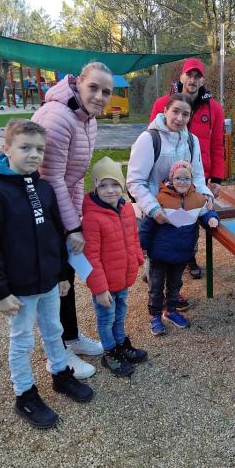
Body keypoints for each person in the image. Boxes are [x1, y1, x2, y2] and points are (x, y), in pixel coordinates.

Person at [0, 119, 93, 430]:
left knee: (54, 330)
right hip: (19, 288)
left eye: (39, 149)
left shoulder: (44, 188)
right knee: (22, 340)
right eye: (25, 147)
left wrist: (62, 274)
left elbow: (55, 235)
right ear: (6, 148)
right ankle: (24, 393)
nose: (34, 155)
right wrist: (0, 291)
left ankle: (60, 373)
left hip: (49, 281)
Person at [32, 62, 114, 379]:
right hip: (42, 211)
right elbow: (51, 178)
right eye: (93, 87)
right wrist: (72, 227)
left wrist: (77, 218)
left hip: (60, 208)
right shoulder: (58, 117)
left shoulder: (87, 119)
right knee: (54, 284)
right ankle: (58, 353)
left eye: (106, 92)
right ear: (79, 83)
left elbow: (76, 176)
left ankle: (71, 336)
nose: (99, 96)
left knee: (67, 274)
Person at [150, 58, 225, 279]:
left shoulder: (214, 109)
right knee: (166, 217)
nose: (192, 80)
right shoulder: (163, 103)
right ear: (182, 76)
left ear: (203, 80)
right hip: (168, 174)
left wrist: (216, 178)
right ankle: (157, 262)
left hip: (198, 174)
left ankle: (189, 257)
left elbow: (218, 144)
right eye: (189, 75)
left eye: (197, 76)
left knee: (191, 218)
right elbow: (152, 137)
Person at [82, 157, 147, 377]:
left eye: (115, 184)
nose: (110, 190)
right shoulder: (92, 217)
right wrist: (100, 289)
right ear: (95, 187)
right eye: (103, 185)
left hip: (122, 278)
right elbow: (90, 257)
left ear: (122, 186)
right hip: (105, 285)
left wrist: (137, 258)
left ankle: (120, 343)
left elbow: (133, 236)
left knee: (120, 314)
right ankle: (110, 351)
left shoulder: (126, 208)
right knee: (106, 318)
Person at [139, 160, 219, 335]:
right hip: (159, 253)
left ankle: (171, 311)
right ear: (171, 179)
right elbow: (146, 225)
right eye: (178, 178)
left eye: (186, 178)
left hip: (182, 252)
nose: (182, 182)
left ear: (192, 180)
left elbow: (206, 212)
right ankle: (155, 316)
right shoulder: (160, 199)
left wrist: (212, 218)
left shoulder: (197, 199)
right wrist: (142, 245)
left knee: (175, 284)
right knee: (156, 287)